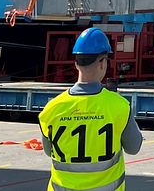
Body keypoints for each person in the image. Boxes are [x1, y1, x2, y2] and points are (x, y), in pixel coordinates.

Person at [39, 28, 142, 191]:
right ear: (102, 62)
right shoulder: (119, 106)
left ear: (75, 63)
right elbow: (134, 148)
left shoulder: (52, 108)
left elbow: (47, 151)